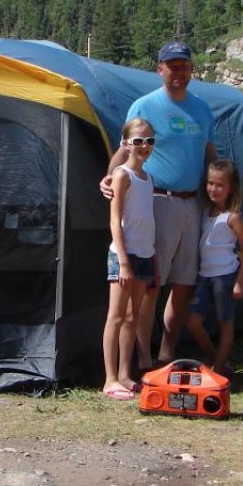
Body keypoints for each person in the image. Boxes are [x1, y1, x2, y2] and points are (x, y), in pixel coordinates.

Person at [101, 41, 216, 369]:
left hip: (193, 203)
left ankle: (167, 351)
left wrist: (217, 192)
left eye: (184, 66)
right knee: (152, 284)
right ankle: (141, 356)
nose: (179, 72)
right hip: (158, 201)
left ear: (193, 69)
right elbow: (125, 149)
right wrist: (109, 178)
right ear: (160, 69)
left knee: (184, 281)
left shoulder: (202, 109)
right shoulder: (145, 105)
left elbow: (209, 153)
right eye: (172, 66)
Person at [102, 118, 156, 400]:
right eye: (138, 141)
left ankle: (125, 373)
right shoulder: (122, 175)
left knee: (134, 316)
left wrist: (153, 255)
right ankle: (110, 378)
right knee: (117, 315)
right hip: (124, 256)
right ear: (126, 144)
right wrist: (123, 261)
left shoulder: (148, 178)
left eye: (149, 141)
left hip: (145, 254)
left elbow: (146, 219)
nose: (144, 146)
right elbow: (115, 221)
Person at [184, 159, 243, 374]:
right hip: (205, 276)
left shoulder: (233, 217)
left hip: (225, 277)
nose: (214, 189)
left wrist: (240, 282)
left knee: (225, 322)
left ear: (231, 188)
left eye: (220, 185)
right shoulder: (205, 211)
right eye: (210, 184)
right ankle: (215, 358)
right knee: (193, 322)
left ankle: (219, 369)